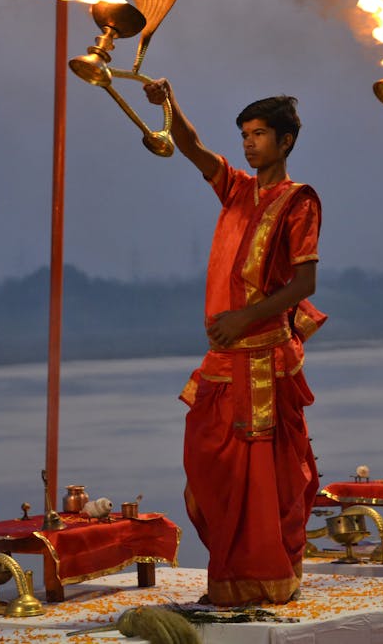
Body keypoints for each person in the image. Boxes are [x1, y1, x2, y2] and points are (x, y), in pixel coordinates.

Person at [144, 78, 326, 606]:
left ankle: (260, 580)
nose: (249, 143)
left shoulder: (300, 201)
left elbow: (304, 285)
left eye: (260, 134)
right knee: (210, 463)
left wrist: (243, 317)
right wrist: (170, 106)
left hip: (264, 361)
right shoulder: (236, 189)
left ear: (286, 141)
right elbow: (194, 148)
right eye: (244, 134)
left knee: (264, 477)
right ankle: (231, 577)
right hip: (225, 357)